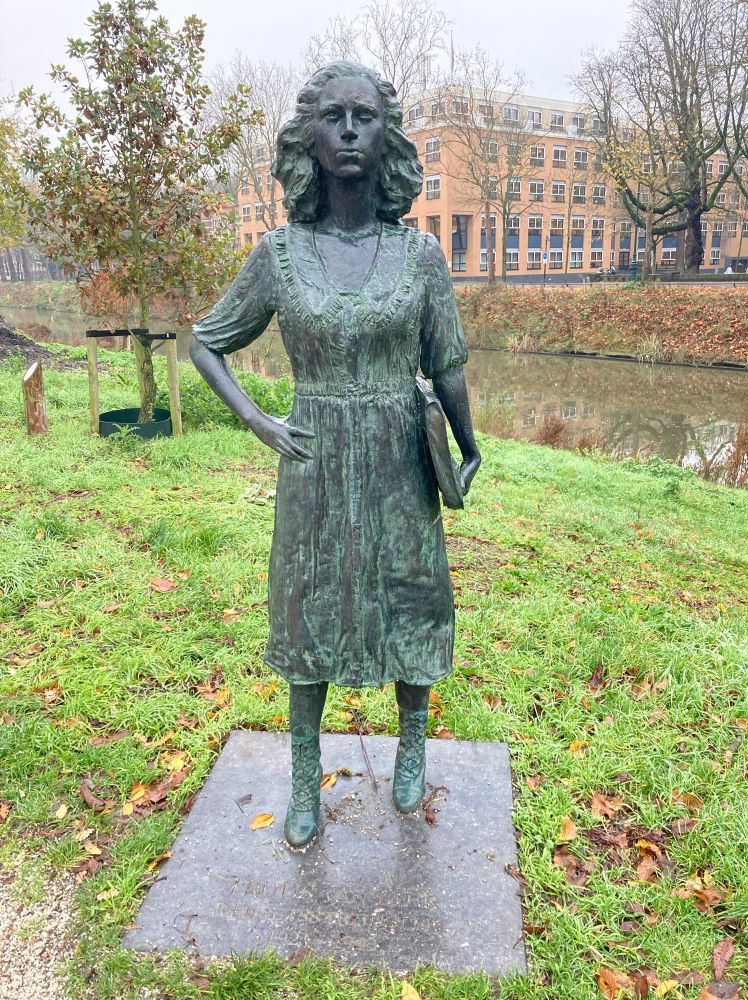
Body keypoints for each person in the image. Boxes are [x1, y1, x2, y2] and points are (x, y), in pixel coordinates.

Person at [189, 62, 481, 849]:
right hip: (314, 457)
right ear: (309, 138)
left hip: (398, 456)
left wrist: (469, 443)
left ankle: (413, 744)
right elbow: (207, 342)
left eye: (364, 117)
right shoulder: (280, 256)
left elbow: (446, 360)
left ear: (385, 136)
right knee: (308, 606)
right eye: (333, 117)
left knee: (414, 594)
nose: (349, 130)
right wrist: (258, 419)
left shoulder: (419, 258)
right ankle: (302, 779)